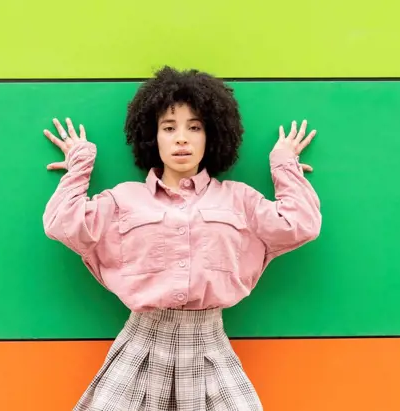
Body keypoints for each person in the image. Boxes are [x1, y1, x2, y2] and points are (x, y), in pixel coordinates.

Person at [42, 66, 321, 410]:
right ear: (152, 136)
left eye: (195, 127)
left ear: (213, 135)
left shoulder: (239, 199)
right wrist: (80, 165)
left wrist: (284, 166)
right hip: (139, 349)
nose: (181, 138)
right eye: (168, 127)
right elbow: (62, 224)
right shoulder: (123, 199)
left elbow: (301, 224)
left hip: (210, 350)